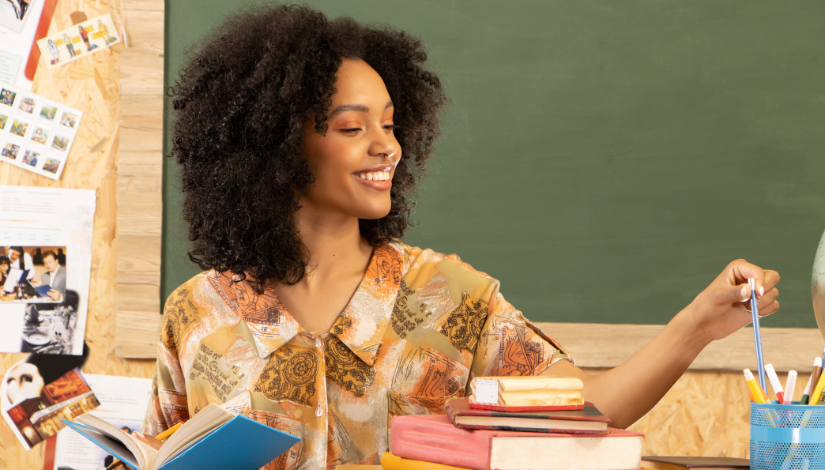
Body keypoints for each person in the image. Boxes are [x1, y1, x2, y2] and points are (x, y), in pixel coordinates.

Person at [139, 6, 779, 469]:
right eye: (352, 127)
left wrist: (694, 326)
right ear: (276, 140)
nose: (385, 145)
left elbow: (585, 407)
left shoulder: (451, 297)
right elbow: (156, 455)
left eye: (390, 124)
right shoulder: (196, 312)